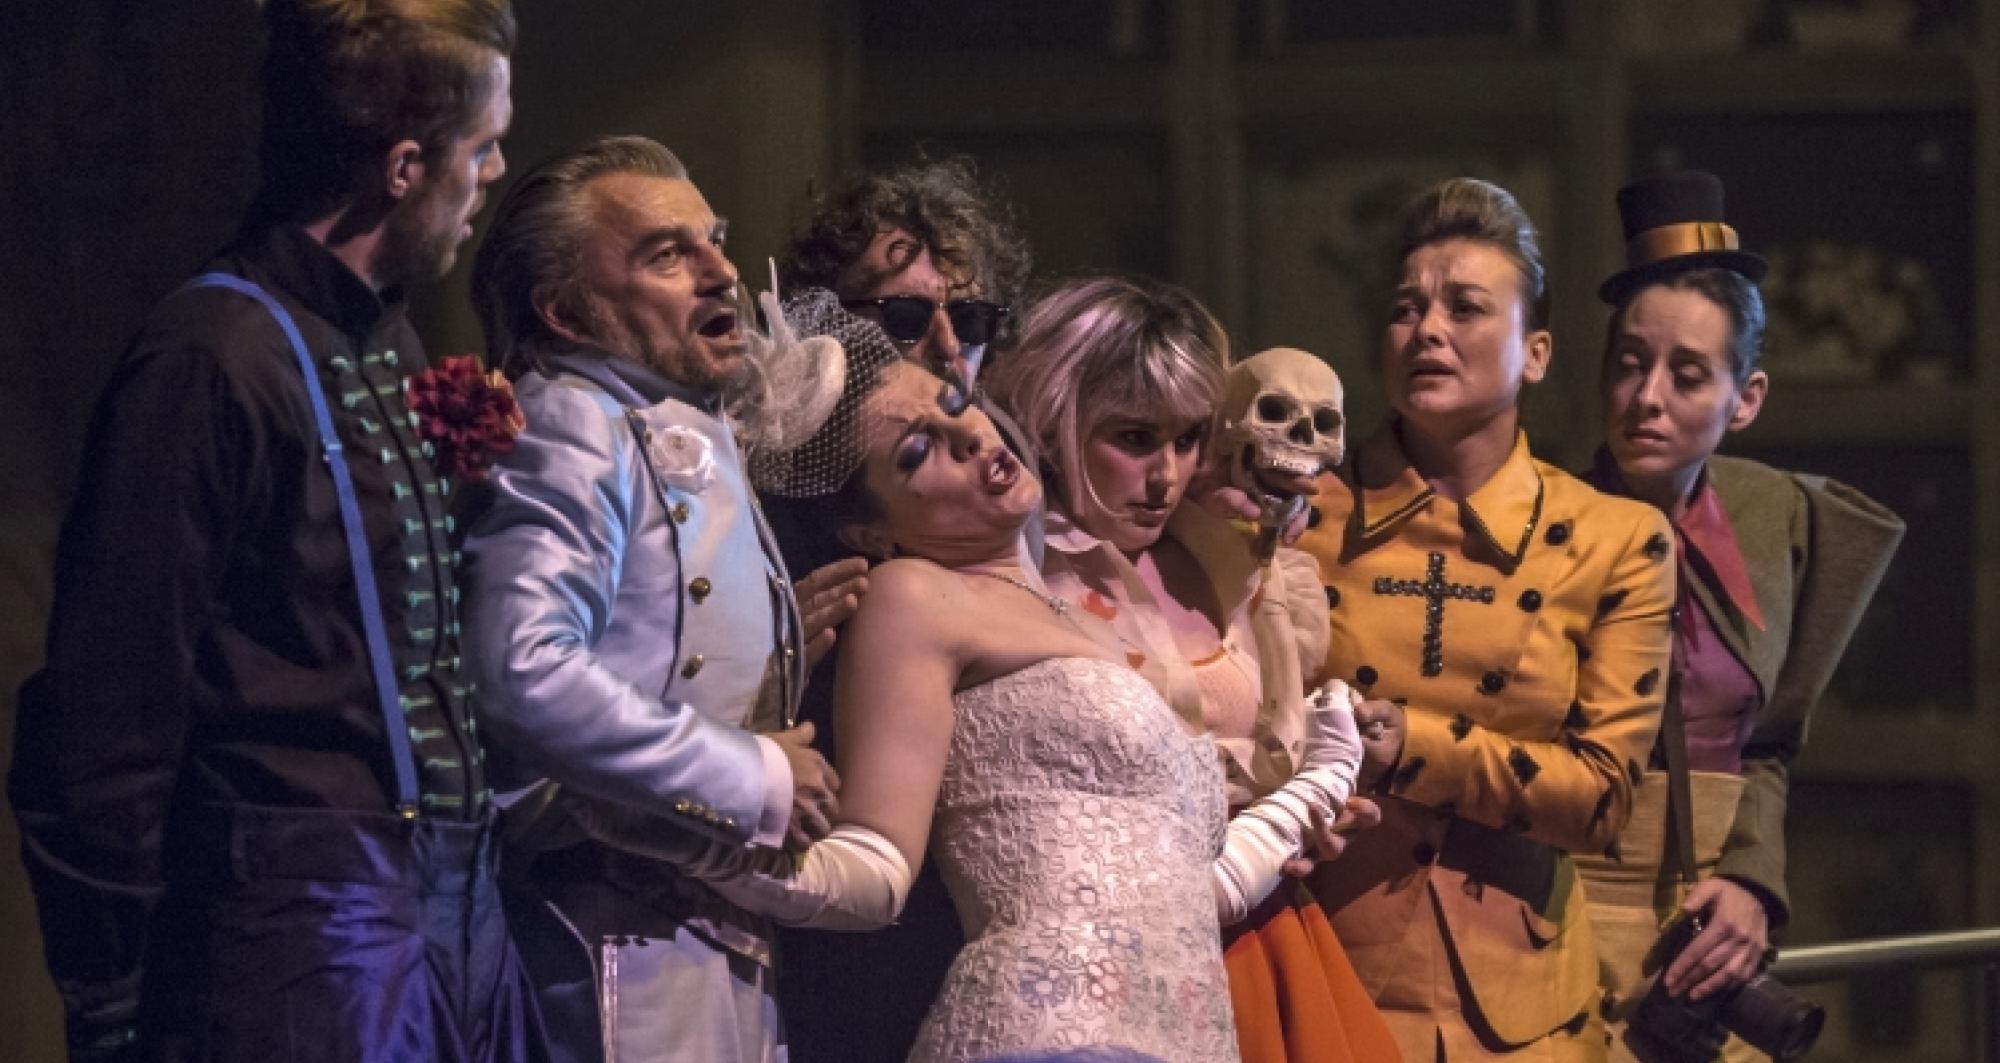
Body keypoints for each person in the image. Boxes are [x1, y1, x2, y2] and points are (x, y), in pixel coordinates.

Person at [8, 2, 538, 1060]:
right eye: (481, 148)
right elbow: (107, 712)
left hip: (446, 924)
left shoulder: (377, 334)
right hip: (304, 946)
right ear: (402, 166)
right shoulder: (212, 359)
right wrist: (111, 999)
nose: (493, 173)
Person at [663, 350, 1369, 1062]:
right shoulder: (914, 596)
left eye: (953, 403)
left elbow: (1196, 883)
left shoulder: (1088, 623)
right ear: (869, 533)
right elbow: (874, 866)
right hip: (1042, 1038)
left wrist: (1328, 770)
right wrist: (679, 831)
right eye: (918, 452)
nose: (969, 438)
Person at [461, 135, 842, 1063]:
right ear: (566, 310)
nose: (721, 272)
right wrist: (752, 776)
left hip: (702, 925)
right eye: (667, 255)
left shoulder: (672, 419)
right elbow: (521, 668)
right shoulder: (571, 417)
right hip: (608, 931)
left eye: (715, 240)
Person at [1293, 177, 1677, 1061]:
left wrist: (1415, 748)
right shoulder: (1299, 515)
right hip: (1326, 974)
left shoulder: (1617, 538)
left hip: (1526, 1007)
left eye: (1465, 307)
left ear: (1535, 353)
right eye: (1406, 309)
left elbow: (1602, 799)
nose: (1427, 329)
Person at [985, 275, 1402, 1063]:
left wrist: (1299, 815)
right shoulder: (1019, 579)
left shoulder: (1218, 559)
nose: (1167, 474)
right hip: (1103, 975)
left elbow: (1263, 750)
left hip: (1261, 938)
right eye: (1135, 438)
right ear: (1059, 421)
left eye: (1186, 440)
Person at [1575, 171, 1904, 1062]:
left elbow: (1768, 743)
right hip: (1557, 908)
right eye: (1630, 364)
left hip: (1706, 933)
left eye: (1687, 375)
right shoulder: (1543, 524)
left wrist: (1754, 881)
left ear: (1746, 399)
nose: (1647, 397)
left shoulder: (1776, 523)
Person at [764, 157, 1034, 1061]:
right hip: (848, 923)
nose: (950, 347)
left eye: (974, 319)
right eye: (909, 318)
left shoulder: (1004, 470)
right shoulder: (787, 507)